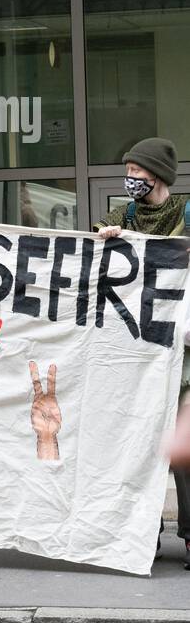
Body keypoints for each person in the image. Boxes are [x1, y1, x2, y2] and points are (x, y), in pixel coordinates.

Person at [93, 137, 190, 568]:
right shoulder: (124, 214)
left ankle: (189, 535)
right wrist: (106, 237)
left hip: (183, 359)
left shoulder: (187, 213)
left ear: (157, 176)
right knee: (138, 447)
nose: (129, 179)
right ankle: (142, 532)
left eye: (136, 172)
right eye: (127, 171)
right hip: (136, 357)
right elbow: (92, 248)